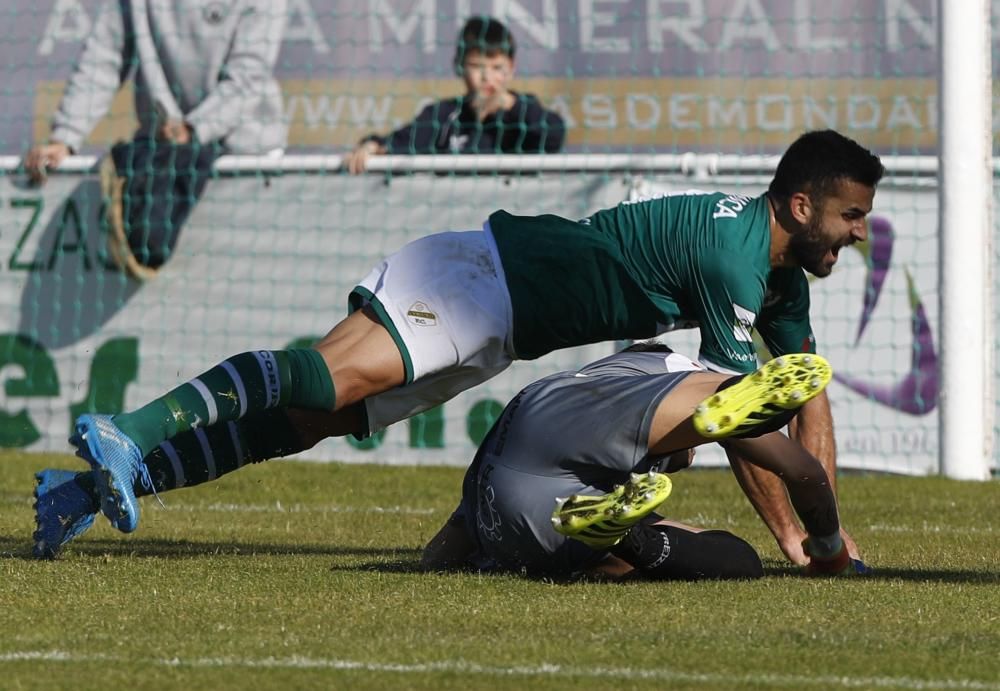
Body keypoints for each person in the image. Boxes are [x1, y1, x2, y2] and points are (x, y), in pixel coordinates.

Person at [32, 129, 883, 563]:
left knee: (311, 420)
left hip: (500, 323)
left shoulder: (781, 277)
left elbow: (805, 396)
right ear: (801, 205)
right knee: (329, 377)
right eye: (849, 216)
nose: (856, 234)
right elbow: (744, 423)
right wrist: (806, 545)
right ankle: (131, 431)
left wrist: (830, 536)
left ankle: (83, 491)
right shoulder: (733, 254)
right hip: (485, 279)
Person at [421, 344, 862, 580]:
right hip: (571, 424)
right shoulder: (653, 369)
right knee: (718, 411)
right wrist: (829, 550)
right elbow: (804, 471)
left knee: (739, 558)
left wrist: (435, 564)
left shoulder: (577, 383)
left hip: (518, 526)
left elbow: (445, 547)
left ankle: (625, 538)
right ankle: (734, 387)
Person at [23, 0, 288, 279]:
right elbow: (102, 60)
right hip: (164, 168)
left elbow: (248, 76)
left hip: (245, 165)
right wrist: (65, 138)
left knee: (242, 291)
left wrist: (194, 128)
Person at [343, 16, 565, 175]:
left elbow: (555, 136)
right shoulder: (444, 115)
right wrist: (372, 146)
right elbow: (404, 141)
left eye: (497, 67)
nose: (487, 77)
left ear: (512, 67)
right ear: (459, 66)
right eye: (477, 66)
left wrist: (510, 105)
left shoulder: (525, 111)